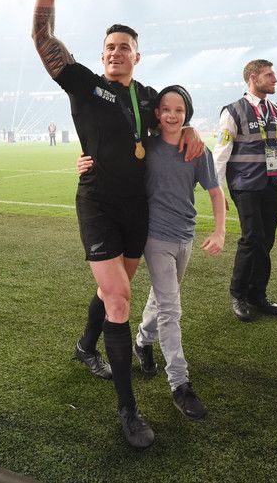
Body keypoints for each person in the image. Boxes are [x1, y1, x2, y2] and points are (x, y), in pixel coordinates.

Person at [31, 0, 204, 449]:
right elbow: (42, 37)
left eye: (123, 47)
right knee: (122, 300)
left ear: (136, 55)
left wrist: (191, 128)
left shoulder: (149, 97)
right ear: (101, 54)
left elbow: (176, 114)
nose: (114, 53)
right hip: (98, 202)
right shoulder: (85, 84)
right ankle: (128, 411)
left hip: (138, 209)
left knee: (115, 291)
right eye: (108, 47)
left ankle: (86, 345)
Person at [78, 86, 226, 420]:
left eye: (179, 110)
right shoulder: (145, 148)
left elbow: (216, 193)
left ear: (187, 114)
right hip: (155, 237)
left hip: (185, 236)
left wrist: (219, 231)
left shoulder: (197, 149)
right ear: (156, 113)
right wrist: (86, 161)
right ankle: (180, 384)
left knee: (162, 297)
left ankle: (143, 340)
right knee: (171, 308)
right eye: (166, 109)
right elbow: (112, 158)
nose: (172, 115)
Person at [213, 59, 277, 322]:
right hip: (245, 185)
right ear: (253, 78)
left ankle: (257, 294)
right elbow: (221, 153)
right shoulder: (233, 111)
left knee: (266, 240)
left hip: (273, 184)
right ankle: (238, 294)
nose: (275, 79)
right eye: (269, 75)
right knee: (252, 238)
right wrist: (218, 189)